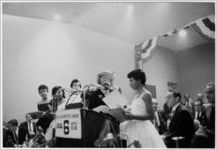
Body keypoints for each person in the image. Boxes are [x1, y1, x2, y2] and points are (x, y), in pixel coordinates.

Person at [120, 69, 166, 148]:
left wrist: (133, 116)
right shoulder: (136, 95)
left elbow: (150, 116)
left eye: (131, 81)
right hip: (134, 128)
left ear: (139, 80)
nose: (129, 84)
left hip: (143, 129)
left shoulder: (146, 94)